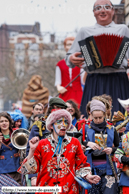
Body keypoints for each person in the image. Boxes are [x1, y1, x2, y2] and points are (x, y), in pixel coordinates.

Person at [65, 0, 129, 117]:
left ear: (113, 11)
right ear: (93, 12)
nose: (102, 10)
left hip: (119, 79)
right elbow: (68, 57)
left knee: (121, 116)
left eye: (106, 7)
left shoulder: (124, 29)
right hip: (94, 79)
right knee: (91, 118)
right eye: (98, 8)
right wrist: (71, 59)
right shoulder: (85, 31)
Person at [18, 109, 100, 194]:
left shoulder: (74, 142)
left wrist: (88, 176)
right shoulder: (43, 143)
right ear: (51, 126)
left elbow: (82, 165)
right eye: (59, 121)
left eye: (66, 122)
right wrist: (32, 150)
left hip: (69, 191)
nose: (63, 125)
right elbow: (27, 170)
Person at [83, 99, 119, 194]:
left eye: (100, 117)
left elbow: (120, 148)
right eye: (95, 118)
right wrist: (87, 143)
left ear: (105, 115)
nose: (98, 120)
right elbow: (76, 144)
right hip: (92, 171)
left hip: (108, 171)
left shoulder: (112, 129)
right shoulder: (85, 129)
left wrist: (112, 149)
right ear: (91, 115)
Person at [55, 37, 85, 108]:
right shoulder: (60, 64)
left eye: (72, 44)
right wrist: (59, 87)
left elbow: (83, 82)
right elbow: (57, 82)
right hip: (64, 93)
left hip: (78, 93)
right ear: (65, 47)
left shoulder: (81, 63)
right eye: (68, 44)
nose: (70, 46)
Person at [0, 112, 22, 192]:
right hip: (3, 171)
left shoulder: (16, 133)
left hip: (17, 168)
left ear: (9, 122)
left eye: (6, 121)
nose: (4, 123)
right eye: (1, 121)